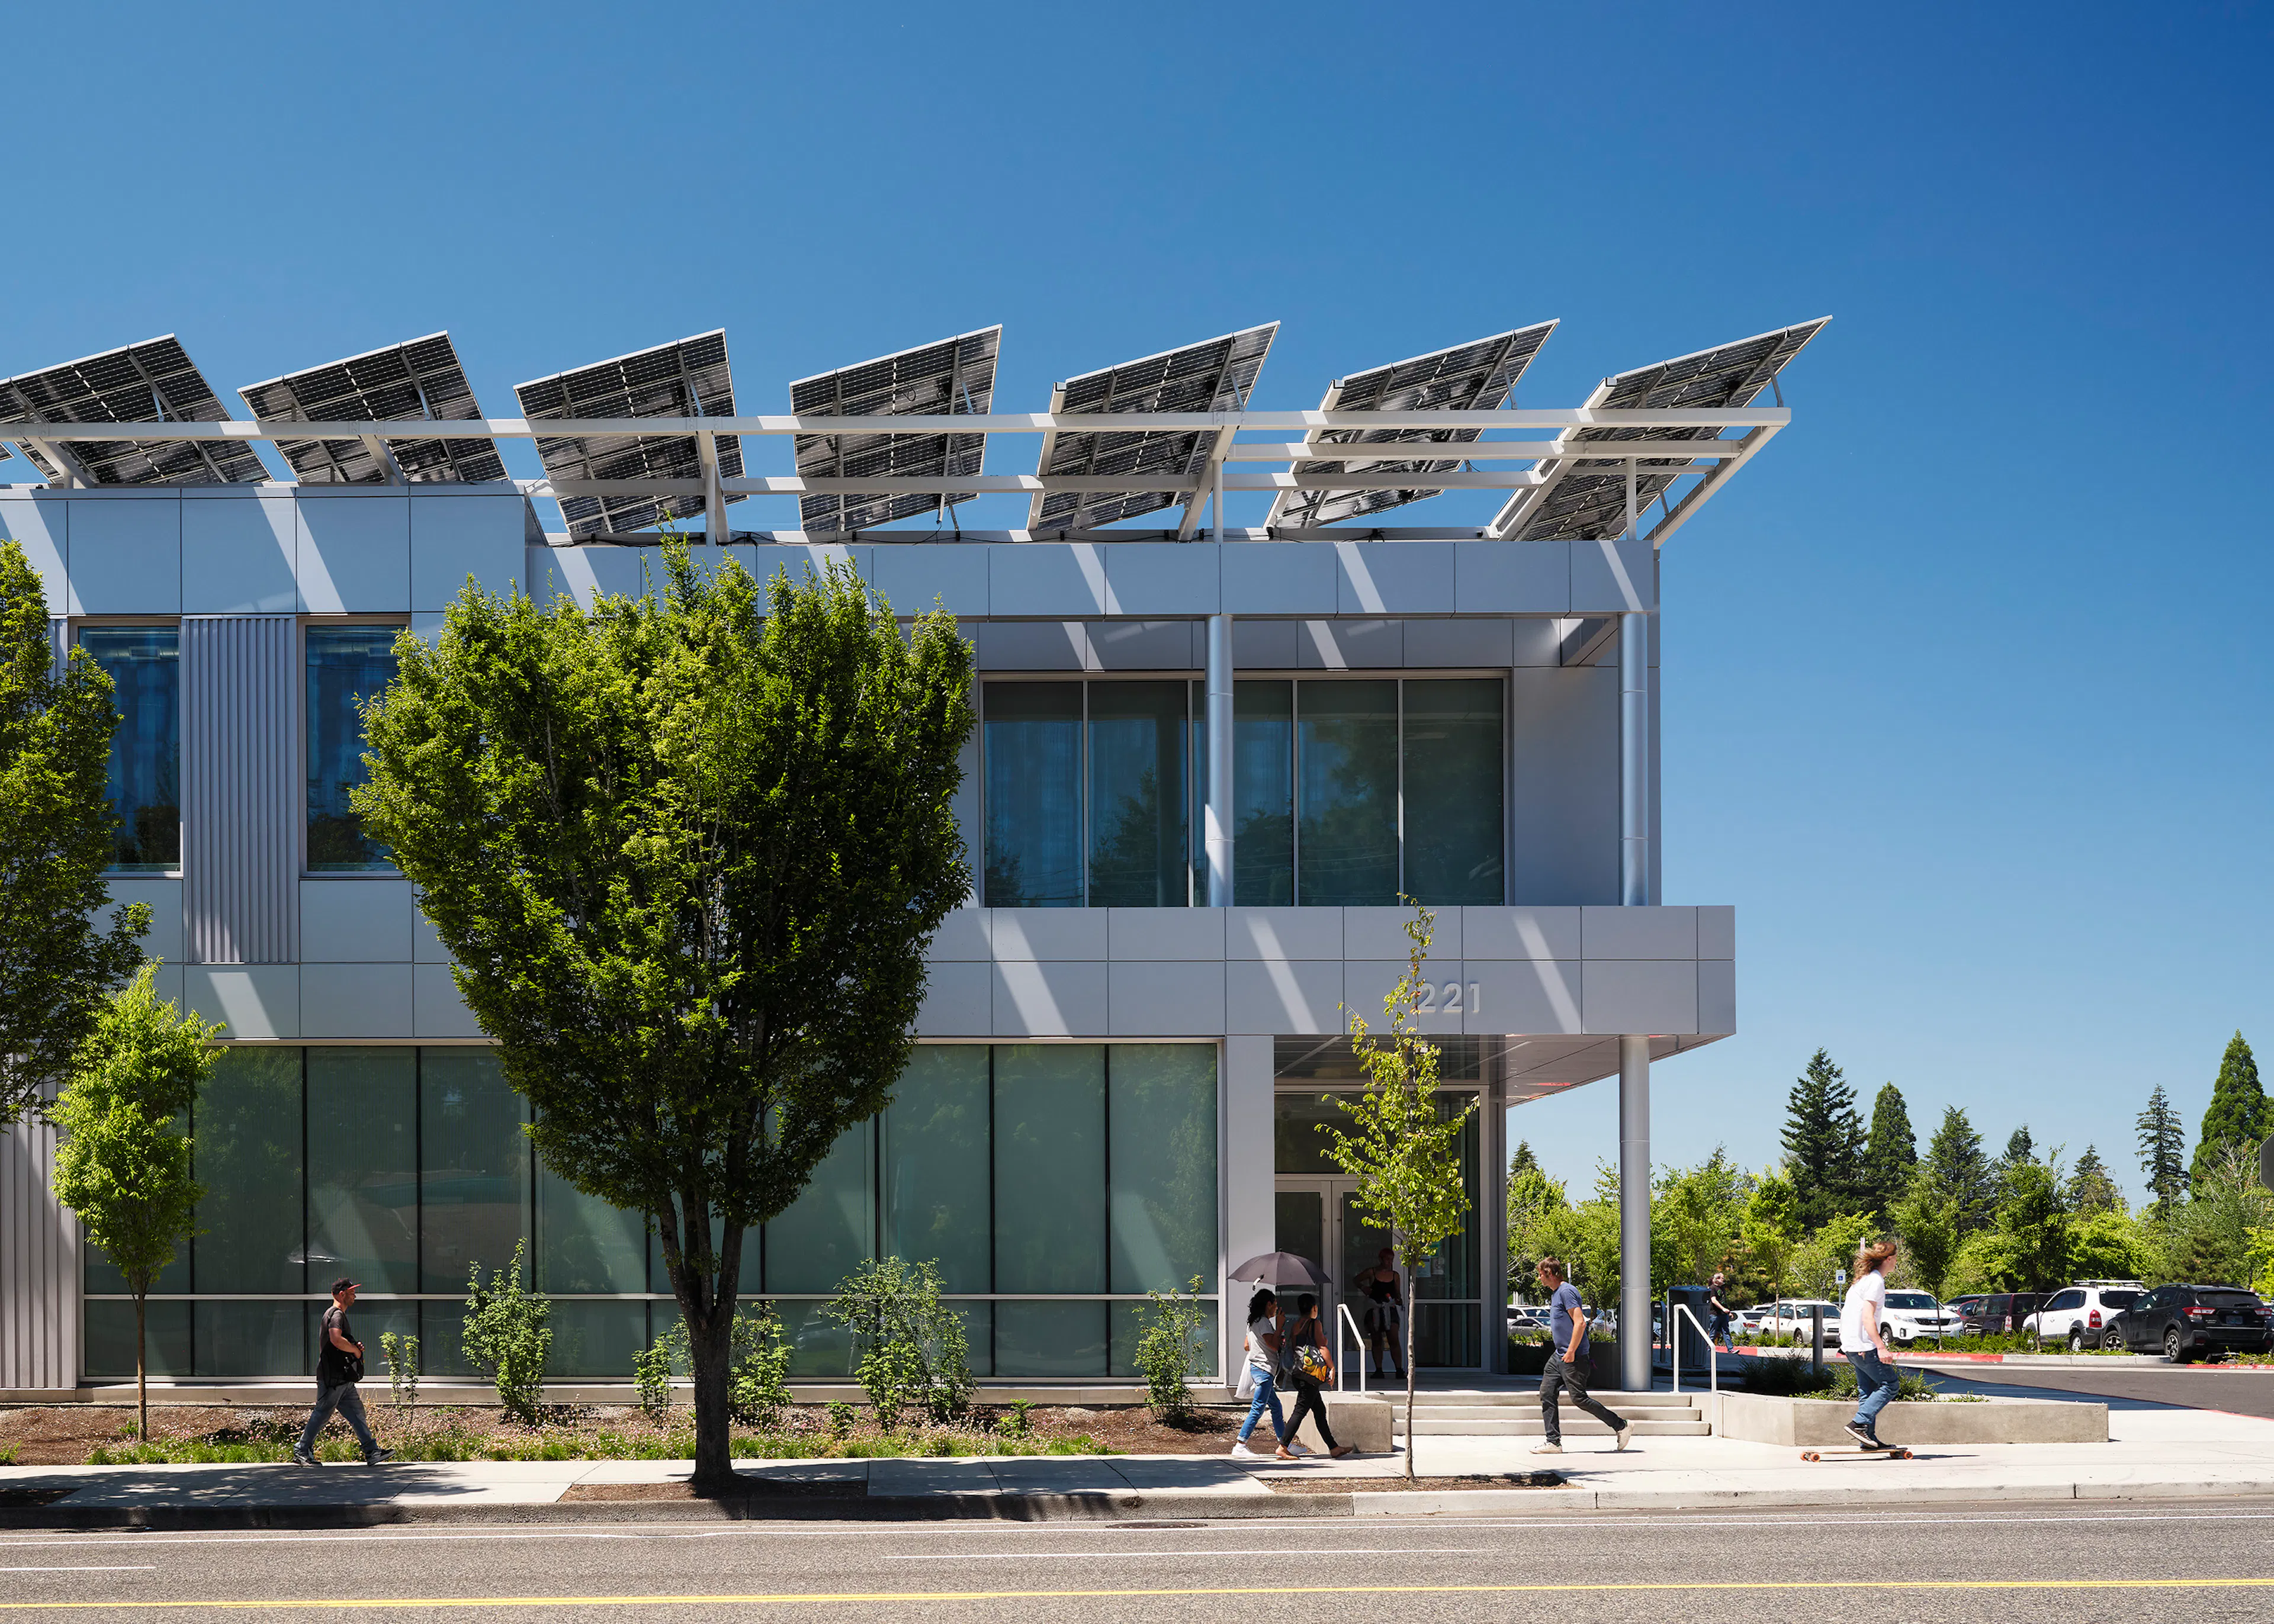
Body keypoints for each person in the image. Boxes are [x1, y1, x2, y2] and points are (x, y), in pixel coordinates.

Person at [1531, 1257, 1631, 1455]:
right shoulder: (1556, 1293)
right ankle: (1553, 1442)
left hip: (1573, 1355)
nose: (1539, 1278)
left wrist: (1571, 1351)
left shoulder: (1566, 1292)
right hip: (1559, 1355)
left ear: (1550, 1274)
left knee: (1579, 1399)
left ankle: (1621, 1426)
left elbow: (1580, 1323)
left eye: (1541, 1274)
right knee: (1547, 1393)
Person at [295, 1277, 390, 1468]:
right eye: (352, 1293)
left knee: (356, 1413)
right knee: (322, 1413)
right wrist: (355, 1351)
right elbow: (336, 1339)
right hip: (333, 1378)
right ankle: (302, 1450)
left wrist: (353, 1346)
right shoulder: (336, 1314)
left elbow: (340, 1342)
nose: (355, 1296)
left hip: (343, 1378)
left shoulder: (336, 1315)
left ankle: (372, 1451)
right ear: (342, 1294)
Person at [1840, 1239, 1903, 1449]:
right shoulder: (1875, 1281)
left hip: (1852, 1345)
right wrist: (1881, 1346)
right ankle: (1858, 1424)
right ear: (1889, 1259)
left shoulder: (1863, 1280)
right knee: (1890, 1385)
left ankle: (1868, 1440)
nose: (1896, 1262)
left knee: (1868, 1390)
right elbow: (1867, 1318)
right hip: (1864, 1346)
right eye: (1896, 1258)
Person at [1280, 1294, 1357, 1459]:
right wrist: (1332, 1368)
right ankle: (1283, 1446)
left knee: (1320, 1411)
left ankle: (1334, 1448)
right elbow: (1322, 1346)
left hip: (1299, 1373)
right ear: (1314, 1308)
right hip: (1309, 1375)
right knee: (1300, 1411)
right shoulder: (1314, 1324)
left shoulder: (1296, 1325)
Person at [1231, 1288, 1296, 1460]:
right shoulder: (1265, 1322)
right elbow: (1273, 1345)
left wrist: (1262, 1343)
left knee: (1276, 1406)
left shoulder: (1253, 1322)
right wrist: (1280, 1326)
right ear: (1269, 1304)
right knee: (1258, 1408)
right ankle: (1240, 1444)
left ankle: (1285, 1444)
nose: (1276, 1308)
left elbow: (1247, 1345)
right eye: (1275, 1304)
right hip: (1264, 1370)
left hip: (1259, 1368)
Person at [1353, 1249, 1404, 1379]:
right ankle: (1379, 1370)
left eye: (1392, 1260)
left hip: (1390, 1309)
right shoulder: (1372, 1272)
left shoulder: (1395, 1275)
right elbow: (1356, 1280)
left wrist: (1399, 1300)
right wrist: (1363, 1288)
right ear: (1381, 1259)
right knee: (1376, 1340)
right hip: (1375, 1308)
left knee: (1393, 1339)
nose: (1389, 1262)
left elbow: (1397, 1293)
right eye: (1387, 1259)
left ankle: (1399, 1370)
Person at [1707, 1272, 1735, 1350]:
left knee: (1726, 1332)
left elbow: (1724, 1301)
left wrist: (1729, 1312)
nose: (1724, 1279)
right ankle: (1709, 1349)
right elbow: (1714, 1300)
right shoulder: (1712, 1288)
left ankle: (1730, 1349)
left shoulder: (1722, 1288)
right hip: (1715, 1314)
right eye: (1722, 1278)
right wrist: (1723, 1309)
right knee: (1713, 1333)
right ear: (1717, 1279)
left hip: (1723, 1314)